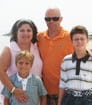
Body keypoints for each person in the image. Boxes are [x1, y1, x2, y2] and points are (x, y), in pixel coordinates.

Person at [0, 19, 43, 103]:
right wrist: (13, 90)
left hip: (33, 98)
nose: (25, 33)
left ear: (33, 33)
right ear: (16, 32)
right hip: (13, 98)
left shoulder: (36, 48)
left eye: (28, 30)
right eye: (22, 30)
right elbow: (0, 71)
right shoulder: (9, 49)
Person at [38, 7, 74, 105]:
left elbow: (83, 51)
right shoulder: (40, 37)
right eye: (48, 19)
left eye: (55, 18)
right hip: (44, 91)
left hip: (66, 91)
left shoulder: (70, 36)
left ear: (61, 19)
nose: (51, 21)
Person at [58, 25, 92, 105]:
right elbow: (62, 84)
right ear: (72, 41)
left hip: (88, 99)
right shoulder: (66, 60)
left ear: (87, 40)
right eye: (76, 39)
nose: (79, 42)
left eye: (82, 39)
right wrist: (59, 103)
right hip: (70, 99)